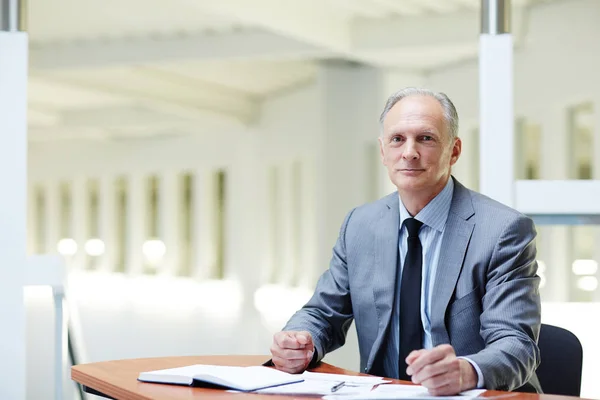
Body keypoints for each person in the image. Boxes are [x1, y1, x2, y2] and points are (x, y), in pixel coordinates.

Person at [269, 87, 542, 395]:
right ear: (383, 151)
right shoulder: (359, 225)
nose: (409, 152)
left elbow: (516, 344)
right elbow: (322, 312)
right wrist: (300, 339)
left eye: (425, 138)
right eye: (397, 139)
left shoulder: (502, 231)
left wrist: (467, 371)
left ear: (454, 150)